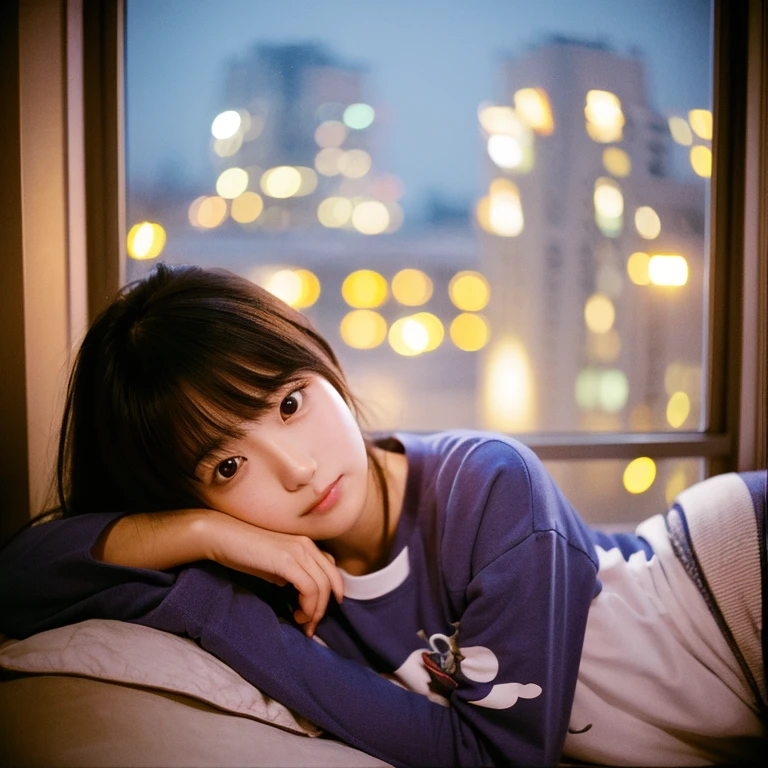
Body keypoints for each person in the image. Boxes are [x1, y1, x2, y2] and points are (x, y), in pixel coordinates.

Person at [0, 263, 765, 766]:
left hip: (728, 583)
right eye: (227, 466)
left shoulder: (486, 486)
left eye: (290, 403)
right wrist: (201, 534)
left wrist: (212, 607)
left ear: (321, 360)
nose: (297, 468)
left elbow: (491, 759)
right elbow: (20, 581)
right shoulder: (264, 574)